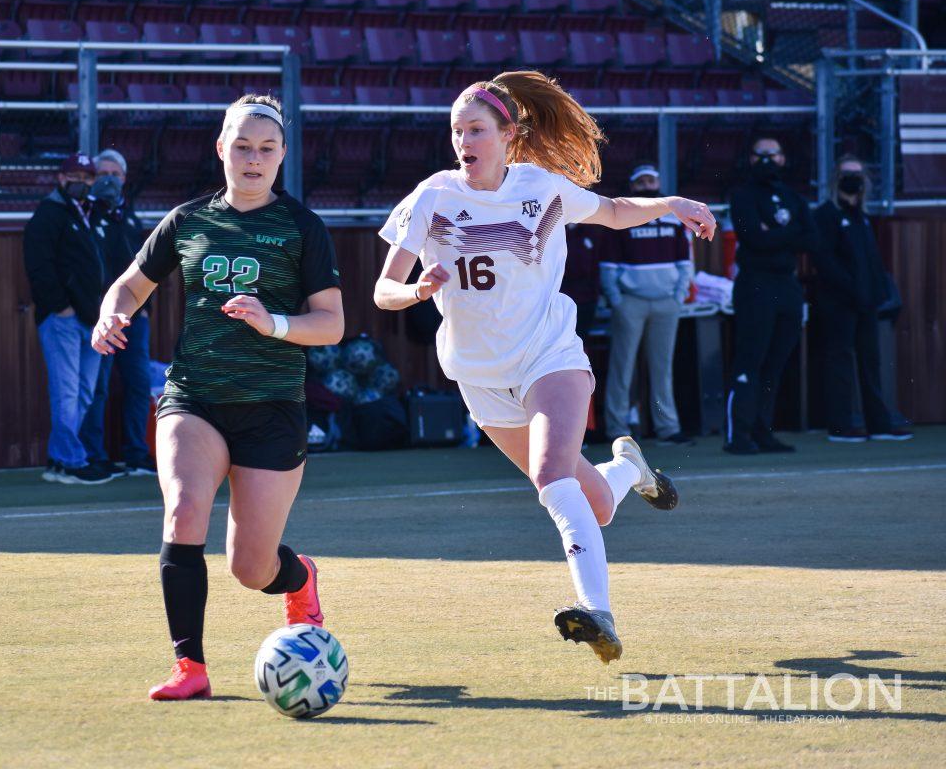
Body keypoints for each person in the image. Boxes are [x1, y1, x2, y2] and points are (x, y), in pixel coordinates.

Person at [373, 72, 716, 664]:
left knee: (551, 476)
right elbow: (382, 290)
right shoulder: (431, 196)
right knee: (596, 506)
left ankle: (598, 612)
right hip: (479, 376)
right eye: (457, 131)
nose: (464, 141)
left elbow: (610, 211)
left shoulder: (540, 187)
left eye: (476, 129)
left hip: (548, 355)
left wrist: (671, 204)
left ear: (508, 134)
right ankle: (627, 470)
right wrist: (414, 293)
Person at [91, 95, 344, 700]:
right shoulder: (186, 220)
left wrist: (273, 323)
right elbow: (129, 285)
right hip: (193, 398)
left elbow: (330, 324)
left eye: (265, 148)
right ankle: (191, 669)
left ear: (282, 154)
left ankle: (298, 577)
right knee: (182, 514)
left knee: (251, 568)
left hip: (272, 408)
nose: (253, 159)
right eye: (241, 147)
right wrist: (111, 314)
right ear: (221, 149)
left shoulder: (302, 227)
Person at [23, 152, 115, 485]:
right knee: (67, 392)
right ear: (61, 179)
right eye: (75, 175)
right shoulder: (49, 214)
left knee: (84, 392)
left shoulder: (86, 213)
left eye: (88, 177)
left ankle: (60, 460)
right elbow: (39, 265)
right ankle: (70, 460)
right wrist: (61, 306)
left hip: (91, 319)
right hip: (64, 318)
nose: (83, 182)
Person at [725, 137, 819, 455]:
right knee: (750, 361)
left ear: (783, 159)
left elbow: (811, 238)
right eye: (760, 154)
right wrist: (785, 234)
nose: (767, 159)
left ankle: (763, 431)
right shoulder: (742, 196)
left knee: (775, 364)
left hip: (787, 286)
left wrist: (773, 233)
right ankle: (738, 436)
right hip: (756, 285)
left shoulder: (793, 197)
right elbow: (753, 239)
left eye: (773, 153)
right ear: (751, 159)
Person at [812, 156, 913, 443]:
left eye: (857, 174)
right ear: (836, 178)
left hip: (866, 303)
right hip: (839, 303)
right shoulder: (826, 215)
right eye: (847, 174)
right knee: (840, 360)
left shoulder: (862, 217)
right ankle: (841, 425)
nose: (853, 179)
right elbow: (825, 261)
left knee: (871, 362)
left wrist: (879, 293)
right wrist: (851, 289)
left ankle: (879, 423)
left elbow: (871, 262)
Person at [599, 163, 695, 447]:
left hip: (666, 302)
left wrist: (677, 296)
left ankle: (667, 427)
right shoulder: (622, 218)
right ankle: (616, 427)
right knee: (622, 366)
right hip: (631, 303)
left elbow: (685, 261)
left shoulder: (673, 218)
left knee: (662, 366)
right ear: (632, 186)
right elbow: (608, 264)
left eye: (651, 181)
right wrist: (617, 300)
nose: (647, 186)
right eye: (641, 182)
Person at [78, 148, 159, 477]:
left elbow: (143, 266)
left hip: (134, 318)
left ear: (124, 179)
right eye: (102, 174)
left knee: (138, 383)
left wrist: (144, 308)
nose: (109, 180)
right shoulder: (85, 214)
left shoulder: (128, 215)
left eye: (115, 174)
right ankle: (94, 454)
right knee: (97, 386)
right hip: (99, 316)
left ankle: (136, 453)